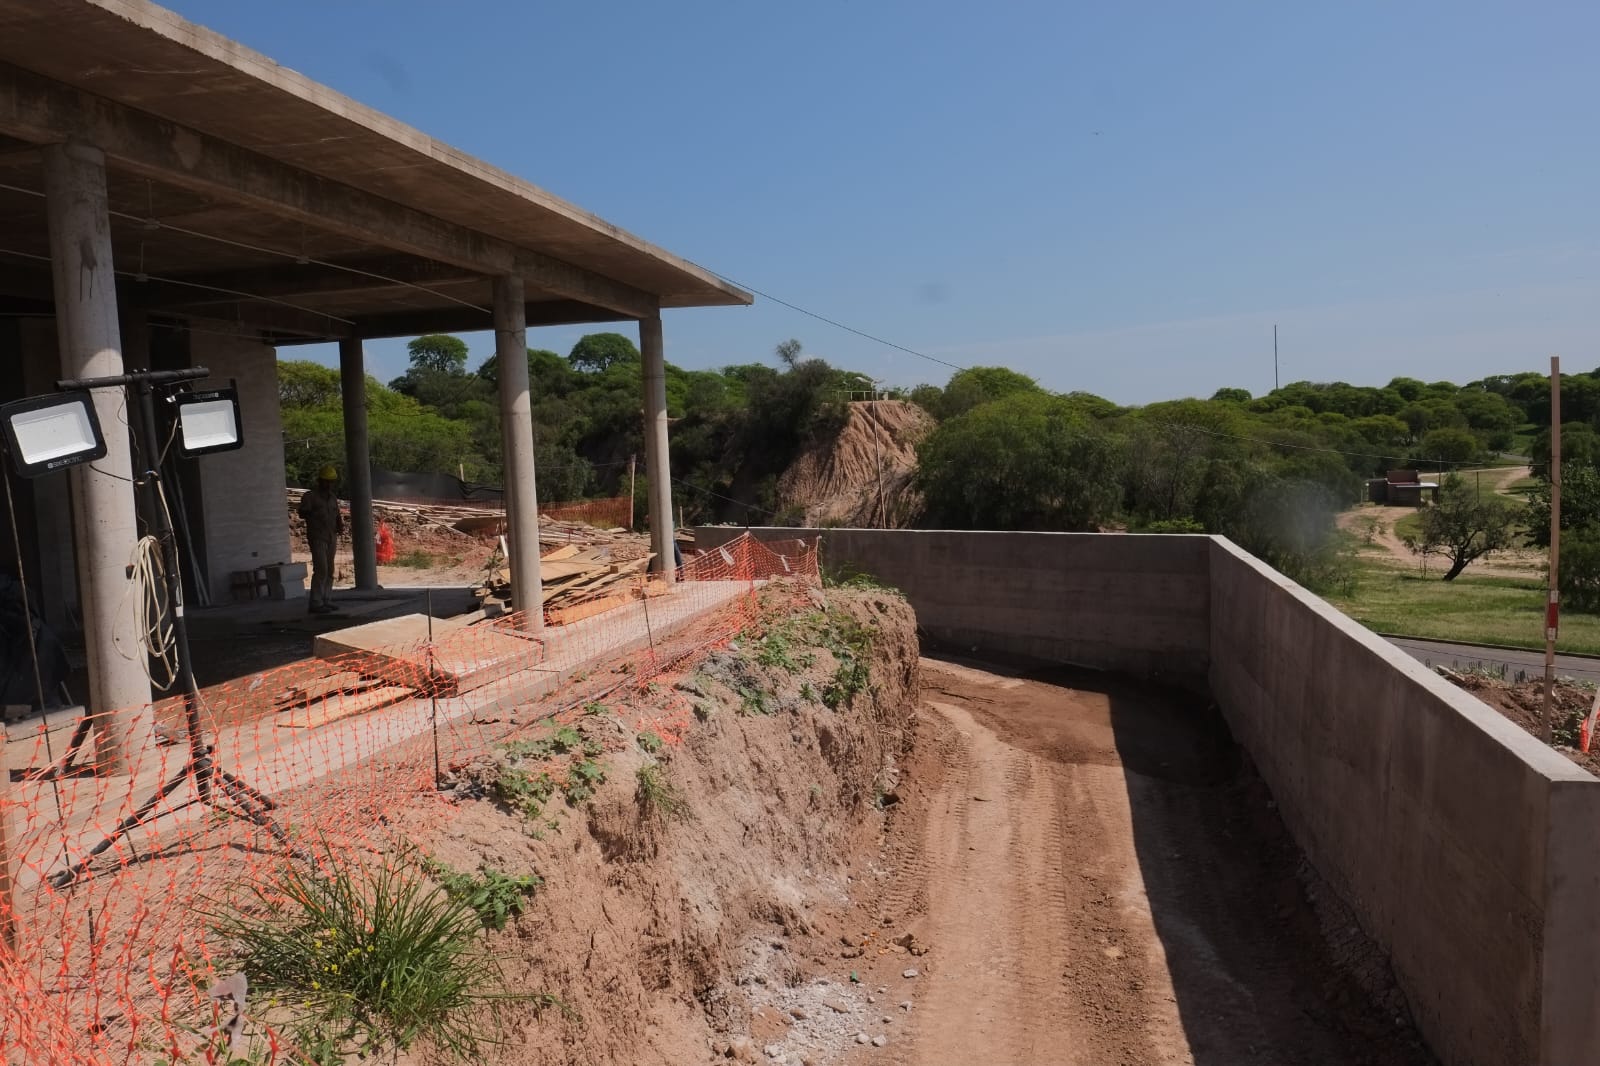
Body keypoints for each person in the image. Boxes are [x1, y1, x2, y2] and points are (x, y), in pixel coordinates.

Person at [298, 465, 342, 614]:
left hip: (331, 536)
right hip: (318, 537)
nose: (328, 484)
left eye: (331, 482)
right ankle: (316, 603)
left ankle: (326, 600)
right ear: (320, 481)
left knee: (330, 570)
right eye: (326, 481)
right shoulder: (310, 497)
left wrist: (340, 524)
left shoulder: (333, 498)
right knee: (321, 569)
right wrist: (310, 512)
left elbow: (337, 514)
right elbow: (302, 512)